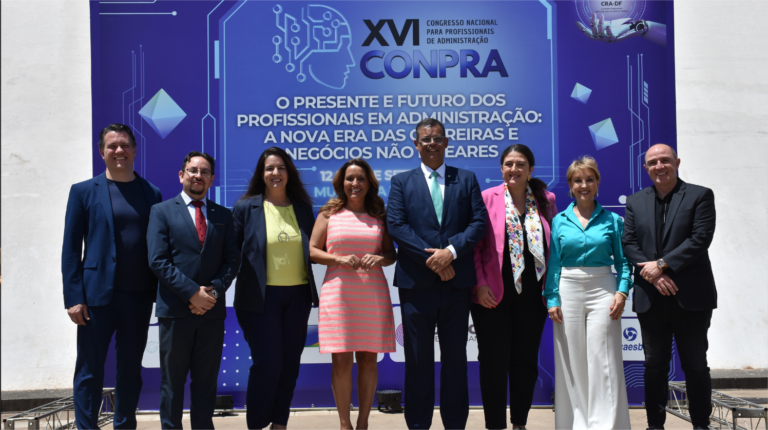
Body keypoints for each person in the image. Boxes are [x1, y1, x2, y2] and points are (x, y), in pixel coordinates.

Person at [387, 118, 487, 430]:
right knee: (417, 360)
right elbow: (397, 226)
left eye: (437, 138)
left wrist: (451, 253)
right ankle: (418, 425)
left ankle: (455, 424)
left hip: (456, 285)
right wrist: (434, 259)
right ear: (416, 144)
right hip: (416, 285)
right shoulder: (401, 182)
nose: (431, 143)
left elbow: (479, 223)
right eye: (425, 139)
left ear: (446, 142)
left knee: (455, 359)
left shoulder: (466, 179)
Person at [62, 123, 162, 430]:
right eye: (112, 146)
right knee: (89, 370)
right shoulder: (82, 192)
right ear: (102, 151)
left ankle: (125, 425)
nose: (119, 151)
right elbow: (70, 249)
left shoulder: (151, 193)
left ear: (134, 150)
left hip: (138, 296)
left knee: (130, 370)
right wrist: (74, 297)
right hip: (95, 297)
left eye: (124, 145)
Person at [622, 144, 717, 430]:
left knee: (695, 365)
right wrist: (654, 275)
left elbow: (700, 239)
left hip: (691, 297)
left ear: (677, 162)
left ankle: (701, 425)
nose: (659, 166)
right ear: (645, 168)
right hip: (651, 297)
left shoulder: (700, 195)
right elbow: (629, 243)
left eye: (665, 160)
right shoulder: (635, 201)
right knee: (654, 366)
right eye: (653, 162)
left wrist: (662, 265)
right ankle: (655, 425)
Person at [146, 151, 240, 430]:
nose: (198, 175)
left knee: (206, 382)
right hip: (175, 312)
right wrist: (191, 293)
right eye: (193, 170)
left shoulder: (224, 215)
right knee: (172, 383)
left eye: (204, 172)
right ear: (181, 175)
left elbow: (232, 260)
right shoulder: (161, 211)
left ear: (211, 179)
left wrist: (212, 294)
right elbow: (157, 260)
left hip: (211, 313)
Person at [231, 147, 318, 430]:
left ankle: (280, 424)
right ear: (261, 173)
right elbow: (231, 254)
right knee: (268, 363)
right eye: (269, 168)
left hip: (298, 296)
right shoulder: (246, 208)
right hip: (260, 298)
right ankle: (257, 424)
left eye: (281, 168)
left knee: (290, 363)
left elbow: (315, 248)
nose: (275, 173)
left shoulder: (302, 208)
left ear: (289, 173)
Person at [471, 144, 557, 430]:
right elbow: (474, 248)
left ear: (530, 169)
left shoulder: (545, 199)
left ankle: (519, 422)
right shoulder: (486, 198)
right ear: (501, 168)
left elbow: (554, 247)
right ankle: (495, 425)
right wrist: (480, 285)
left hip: (533, 297)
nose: (514, 169)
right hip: (492, 296)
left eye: (520, 164)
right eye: (509, 164)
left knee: (525, 362)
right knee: (493, 363)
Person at [544, 156, 632, 430]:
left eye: (589, 179)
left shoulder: (613, 220)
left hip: (603, 288)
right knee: (572, 360)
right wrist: (552, 298)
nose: (584, 185)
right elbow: (554, 262)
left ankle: (604, 425)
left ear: (597, 183)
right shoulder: (559, 220)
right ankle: (577, 424)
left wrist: (622, 292)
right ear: (570, 186)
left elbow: (624, 262)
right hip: (567, 289)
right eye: (578, 180)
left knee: (603, 359)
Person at [309, 159, 397, 430]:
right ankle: (344, 424)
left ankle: (363, 423)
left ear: (369, 183)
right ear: (341, 183)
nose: (355, 183)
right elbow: (312, 250)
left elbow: (390, 254)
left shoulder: (379, 214)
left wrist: (379, 258)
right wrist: (337, 259)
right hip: (339, 295)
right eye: (350, 178)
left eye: (360, 178)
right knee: (341, 360)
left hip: (372, 295)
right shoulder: (328, 213)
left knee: (369, 360)